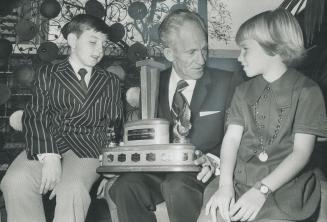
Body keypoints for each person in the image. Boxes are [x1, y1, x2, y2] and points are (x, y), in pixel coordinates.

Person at [107, 9, 242, 222]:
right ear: (169, 54)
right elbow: (142, 136)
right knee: (126, 186)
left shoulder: (228, 82)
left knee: (176, 185)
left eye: (204, 50)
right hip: (158, 170)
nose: (201, 60)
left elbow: (238, 135)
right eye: (191, 52)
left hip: (202, 172)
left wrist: (214, 161)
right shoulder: (151, 83)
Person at [199, 8, 327, 222]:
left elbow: (301, 154)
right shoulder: (242, 91)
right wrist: (225, 186)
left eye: (245, 49)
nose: (239, 57)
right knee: (211, 216)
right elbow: (231, 140)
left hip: (285, 187)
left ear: (274, 49)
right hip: (239, 181)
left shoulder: (308, 91)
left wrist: (261, 191)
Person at [0, 14, 123, 222]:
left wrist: (112, 168)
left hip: (89, 148)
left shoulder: (109, 81)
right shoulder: (48, 73)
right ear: (73, 41)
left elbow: (115, 126)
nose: (100, 50)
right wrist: (49, 156)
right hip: (49, 142)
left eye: (104, 44)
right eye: (93, 42)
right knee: (15, 181)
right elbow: (36, 116)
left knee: (72, 189)